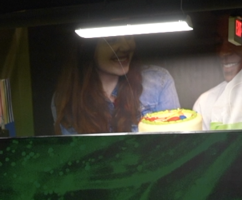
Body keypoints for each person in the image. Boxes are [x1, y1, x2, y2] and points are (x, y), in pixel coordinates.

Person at [52, 35, 180, 134]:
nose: (126, 47)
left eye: (129, 37)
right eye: (112, 39)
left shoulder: (159, 82)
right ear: (86, 47)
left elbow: (174, 149)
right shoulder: (66, 99)